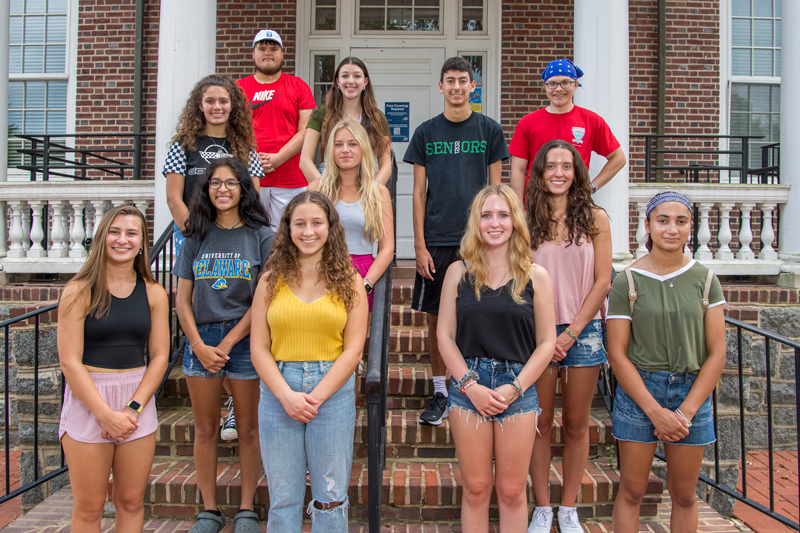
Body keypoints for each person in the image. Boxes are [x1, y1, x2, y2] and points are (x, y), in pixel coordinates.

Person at [438, 184, 556, 532]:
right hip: (467, 386)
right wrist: (469, 385)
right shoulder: (458, 273)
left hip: (518, 387)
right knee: (475, 490)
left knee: (512, 490)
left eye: (503, 215)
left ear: (515, 222)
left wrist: (516, 388)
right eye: (486, 215)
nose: (494, 223)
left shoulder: (536, 276)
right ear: (476, 222)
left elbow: (547, 343)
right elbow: (444, 336)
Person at [606, 191, 726, 533]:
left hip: (692, 395)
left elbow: (717, 353)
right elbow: (617, 352)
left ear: (691, 227)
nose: (671, 229)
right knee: (632, 490)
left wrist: (685, 411)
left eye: (681, 221)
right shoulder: (626, 281)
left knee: (685, 494)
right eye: (662, 221)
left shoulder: (705, 280)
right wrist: (655, 411)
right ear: (647, 226)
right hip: (639, 393)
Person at [251, 191, 368, 532]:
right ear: (287, 228)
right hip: (278, 389)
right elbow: (259, 348)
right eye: (299, 223)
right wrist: (287, 396)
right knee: (284, 497)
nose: (308, 231)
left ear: (330, 228)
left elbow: (353, 350)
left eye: (317, 223)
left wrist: (315, 396)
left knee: (330, 497)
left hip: (332, 391)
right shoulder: (270, 281)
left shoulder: (351, 282)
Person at [404, 56, 510, 426]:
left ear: (472, 86)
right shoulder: (426, 132)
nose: (456, 87)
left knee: (478, 310)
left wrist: (499, 239)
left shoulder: (489, 130)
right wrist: (418, 245)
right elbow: (418, 193)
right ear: (441, 86)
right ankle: (440, 390)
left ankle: (473, 384)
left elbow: (497, 191)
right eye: (450, 80)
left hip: (478, 240)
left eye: (463, 80)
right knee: (436, 320)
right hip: (436, 239)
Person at [172, 158, 274, 533]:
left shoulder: (260, 234)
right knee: (205, 429)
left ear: (243, 188)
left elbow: (264, 298)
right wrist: (197, 344)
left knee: (248, 428)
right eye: (215, 183)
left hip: (246, 340)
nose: (223, 190)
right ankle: (209, 510)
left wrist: (230, 340)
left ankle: (246, 508)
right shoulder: (195, 234)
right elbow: (182, 299)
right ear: (207, 189)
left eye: (231, 183)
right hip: (201, 338)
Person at [57, 205, 170, 531]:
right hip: (89, 399)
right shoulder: (78, 291)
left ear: (142, 243)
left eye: (131, 233)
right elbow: (69, 361)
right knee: (90, 509)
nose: (123, 239)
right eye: (115, 231)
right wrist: (106, 415)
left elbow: (160, 357)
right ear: (102, 237)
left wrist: (133, 409)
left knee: (131, 502)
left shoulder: (154, 293)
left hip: (137, 399)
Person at [524, 140, 613, 533]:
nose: (558, 172)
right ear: (540, 173)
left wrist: (572, 333)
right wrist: (549, 338)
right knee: (539, 423)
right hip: (536, 332)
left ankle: (568, 507)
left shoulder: (596, 218)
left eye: (566, 165)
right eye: (550, 166)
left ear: (576, 172)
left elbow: (604, 280)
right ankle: (543, 507)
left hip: (584, 331)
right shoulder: (526, 221)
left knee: (577, 424)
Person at [164, 74, 263, 255]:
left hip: (235, 234)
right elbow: (173, 198)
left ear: (232, 105)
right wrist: (194, 230)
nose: (217, 107)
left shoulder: (246, 149)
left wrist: (234, 231)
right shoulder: (182, 146)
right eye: (210, 101)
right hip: (193, 233)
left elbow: (253, 196)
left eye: (223, 101)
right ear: (200, 106)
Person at [509, 59, 626, 202]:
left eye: (565, 82)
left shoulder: (591, 120)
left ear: (576, 85)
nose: (558, 89)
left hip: (575, 205)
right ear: (545, 87)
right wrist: (519, 209)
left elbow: (618, 158)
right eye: (552, 83)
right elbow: (518, 170)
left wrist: (592, 187)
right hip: (536, 204)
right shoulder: (527, 122)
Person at [308, 119, 394, 310]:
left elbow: (387, 248)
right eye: (338, 144)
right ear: (331, 150)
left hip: (362, 272)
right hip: (322, 269)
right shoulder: (316, 189)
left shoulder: (378, 192)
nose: (345, 150)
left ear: (363, 148)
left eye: (352, 144)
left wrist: (367, 282)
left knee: (359, 339)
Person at [238, 29, 316, 229]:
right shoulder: (237, 88)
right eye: (261, 48)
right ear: (253, 54)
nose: (268, 52)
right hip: (249, 176)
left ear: (282, 54)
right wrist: (254, 160)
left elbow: (307, 130)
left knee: (290, 235)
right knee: (252, 233)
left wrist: (278, 158)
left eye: (273, 48)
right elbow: (232, 131)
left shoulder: (298, 86)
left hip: (291, 179)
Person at [300, 57, 392, 186]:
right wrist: (321, 188)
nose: (350, 81)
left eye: (357, 76)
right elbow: (305, 160)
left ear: (365, 81)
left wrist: (374, 190)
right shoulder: (321, 113)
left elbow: (386, 165)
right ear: (337, 81)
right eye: (345, 76)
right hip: (328, 181)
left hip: (364, 184)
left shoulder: (376, 117)